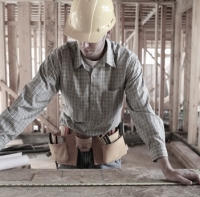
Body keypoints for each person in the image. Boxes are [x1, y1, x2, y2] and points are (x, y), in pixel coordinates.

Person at [0, 0, 199, 185]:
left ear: (108, 31)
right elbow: (27, 104)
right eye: (80, 37)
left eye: (92, 38)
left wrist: (166, 166)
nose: (85, 45)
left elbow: (142, 112)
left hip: (108, 151)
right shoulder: (59, 60)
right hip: (69, 151)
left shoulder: (126, 62)